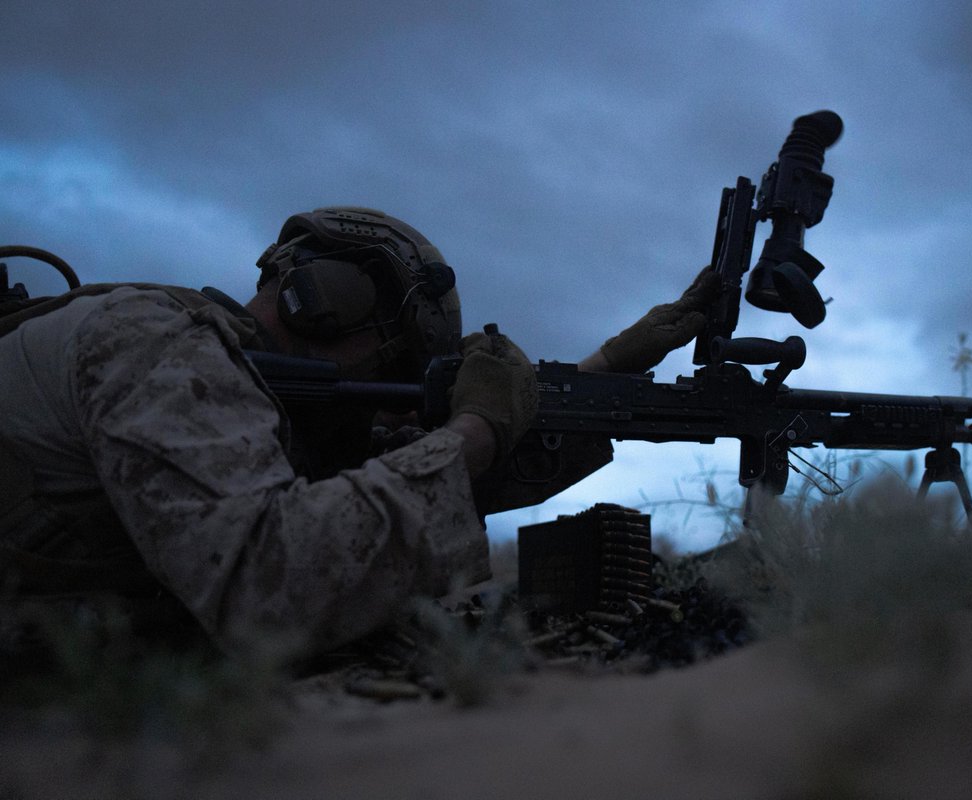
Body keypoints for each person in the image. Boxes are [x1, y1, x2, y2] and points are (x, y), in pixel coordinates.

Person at [0, 206, 716, 657]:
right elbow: (268, 586)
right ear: (327, 304)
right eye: (398, 362)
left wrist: (606, 369)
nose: (396, 413)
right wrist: (471, 433)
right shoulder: (157, 345)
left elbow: (351, 504)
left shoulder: (236, 390)